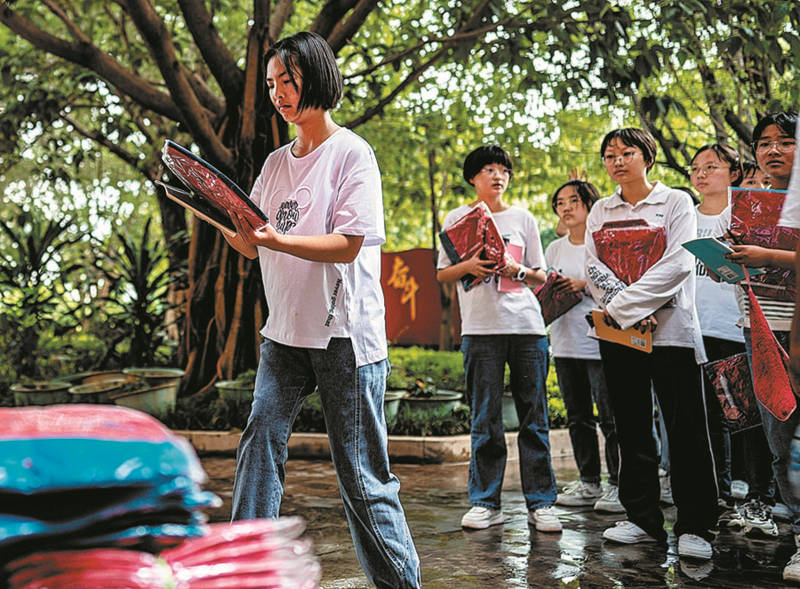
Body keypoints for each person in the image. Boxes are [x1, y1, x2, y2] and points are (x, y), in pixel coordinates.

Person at [225, 32, 420, 589]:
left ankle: (401, 584)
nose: (278, 93)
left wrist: (278, 241)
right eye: (270, 84)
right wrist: (214, 212)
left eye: (288, 80)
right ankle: (244, 569)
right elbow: (252, 239)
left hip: (343, 337)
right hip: (283, 333)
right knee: (259, 440)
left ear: (316, 76)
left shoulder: (352, 152)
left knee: (361, 477)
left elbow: (350, 242)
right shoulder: (275, 162)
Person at [585, 127, 718, 561]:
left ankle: (696, 525)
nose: (617, 161)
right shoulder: (600, 210)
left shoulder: (675, 202)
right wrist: (624, 311)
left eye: (627, 152)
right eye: (610, 155)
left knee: (686, 429)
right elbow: (593, 267)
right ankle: (642, 519)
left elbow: (680, 261)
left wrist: (626, 304)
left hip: (672, 332)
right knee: (631, 428)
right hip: (620, 334)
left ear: (648, 157)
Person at [436, 145, 561, 533]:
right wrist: (470, 266)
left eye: (503, 169)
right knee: (484, 418)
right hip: (480, 330)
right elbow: (442, 274)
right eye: (489, 169)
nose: (498, 176)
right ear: (473, 177)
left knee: (534, 419)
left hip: (527, 328)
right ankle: (486, 503)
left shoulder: (523, 217)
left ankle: (541, 503)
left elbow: (542, 275)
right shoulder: (458, 218)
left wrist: (516, 268)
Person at [720, 111, 799, 582]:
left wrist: (765, 255)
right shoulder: (749, 204)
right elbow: (745, 271)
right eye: (765, 142)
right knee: (780, 437)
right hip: (760, 330)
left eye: (786, 141)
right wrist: (725, 260)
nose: (773, 150)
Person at [545, 179, 622, 513]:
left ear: (590, 205)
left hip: (600, 342)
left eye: (573, 200)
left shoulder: (602, 245)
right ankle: (589, 481)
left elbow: (620, 288)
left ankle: (620, 484)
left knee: (611, 418)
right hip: (564, 343)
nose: (566, 207)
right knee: (577, 418)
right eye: (560, 202)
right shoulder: (554, 249)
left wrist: (584, 285)